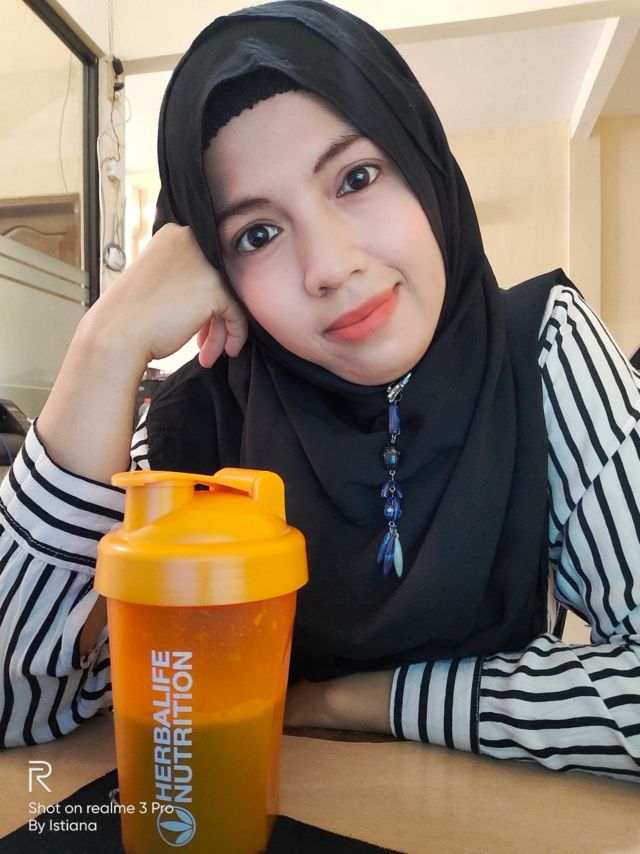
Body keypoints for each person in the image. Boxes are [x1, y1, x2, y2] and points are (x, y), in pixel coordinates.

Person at [1, 0, 639, 782]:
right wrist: (105, 344)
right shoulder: (199, 420)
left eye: (356, 178)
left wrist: (357, 701)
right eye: (257, 234)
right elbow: (17, 705)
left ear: (424, 164)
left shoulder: (539, 350)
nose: (329, 267)